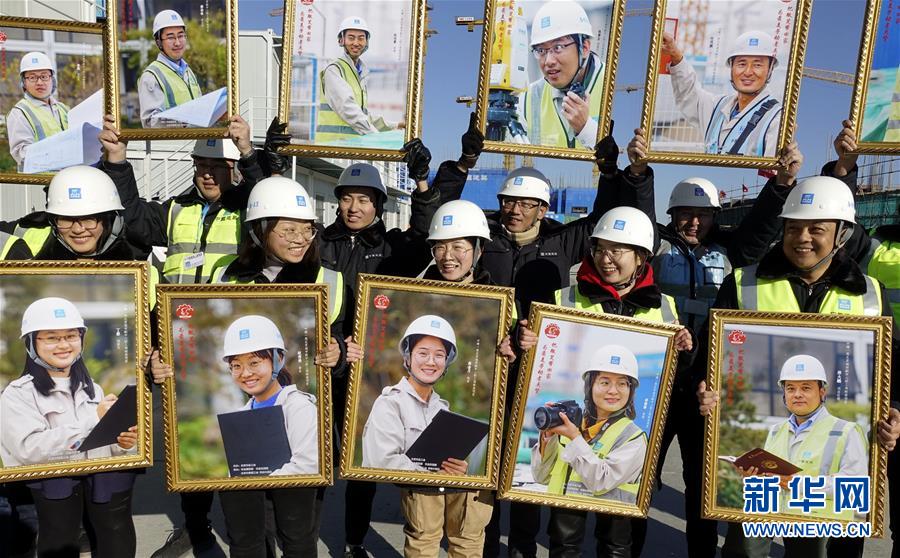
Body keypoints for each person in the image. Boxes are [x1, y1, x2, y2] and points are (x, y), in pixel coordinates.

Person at [696, 176, 900, 558]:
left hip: (829, 470)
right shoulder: (743, 284)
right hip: (765, 455)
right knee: (746, 549)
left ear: (841, 234)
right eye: (793, 228)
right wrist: (706, 390)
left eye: (815, 229)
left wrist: (893, 412)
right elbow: (710, 358)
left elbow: (892, 367)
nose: (802, 238)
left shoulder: (871, 295)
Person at [320, 125, 479, 558]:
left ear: (379, 204)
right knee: (319, 456)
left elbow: (430, 234)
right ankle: (315, 532)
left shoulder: (392, 248)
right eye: (347, 198)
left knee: (361, 463)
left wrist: (423, 183)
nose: (354, 207)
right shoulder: (318, 244)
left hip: (371, 367)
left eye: (364, 199)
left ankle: (354, 540)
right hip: (329, 362)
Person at [517, 206, 694, 557]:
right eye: (599, 249)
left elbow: (676, 373)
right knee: (564, 542)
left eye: (617, 250)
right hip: (568, 476)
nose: (605, 259)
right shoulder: (565, 299)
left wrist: (688, 350)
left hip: (621, 482)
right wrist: (524, 341)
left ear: (641, 256)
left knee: (617, 544)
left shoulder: (665, 308)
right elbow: (540, 360)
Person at [0, 297, 138, 557]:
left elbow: (101, 447)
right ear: (31, 343)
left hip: (98, 492)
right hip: (50, 500)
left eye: (71, 336)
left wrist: (122, 444)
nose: (64, 345)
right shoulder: (18, 395)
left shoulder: (92, 388)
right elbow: (28, 450)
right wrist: (94, 420)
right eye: (52, 338)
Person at [99, 113, 271, 284]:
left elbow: (266, 201)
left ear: (235, 170)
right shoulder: (175, 208)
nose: (208, 174)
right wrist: (117, 158)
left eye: (217, 166)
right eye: (202, 165)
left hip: (224, 301)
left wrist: (247, 153)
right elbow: (132, 217)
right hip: (176, 301)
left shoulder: (247, 208)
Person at [217, 315, 320, 557]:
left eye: (254, 363)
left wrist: (254, 478)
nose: (245, 373)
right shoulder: (240, 416)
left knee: (297, 543)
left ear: (278, 359)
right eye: (236, 366)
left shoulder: (299, 407)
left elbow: (307, 464)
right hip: (251, 514)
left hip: (294, 506)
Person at [531, 345, 648, 503]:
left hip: (601, 518)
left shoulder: (633, 438)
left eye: (622, 384)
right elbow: (541, 476)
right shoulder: (572, 426)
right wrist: (548, 437)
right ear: (589, 386)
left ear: (630, 390)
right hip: (557, 515)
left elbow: (600, 483)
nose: (613, 391)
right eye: (605, 383)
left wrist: (575, 438)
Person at [662, 30, 782, 157]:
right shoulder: (718, 107)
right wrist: (675, 54)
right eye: (741, 64)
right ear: (731, 67)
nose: (748, 72)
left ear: (770, 70)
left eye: (757, 65)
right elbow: (688, 93)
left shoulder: (776, 120)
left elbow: (776, 167)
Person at [517, 0, 604, 148]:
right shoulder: (526, 100)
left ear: (584, 48)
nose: (548, 61)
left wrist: (586, 128)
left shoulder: (614, 87)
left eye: (558, 47)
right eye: (541, 50)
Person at [315, 16, 403, 144]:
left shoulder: (359, 73)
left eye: (361, 38)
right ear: (341, 40)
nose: (356, 43)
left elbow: (363, 115)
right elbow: (348, 110)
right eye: (351, 38)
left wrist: (395, 125)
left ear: (366, 42)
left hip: (348, 146)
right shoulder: (334, 70)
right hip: (332, 147)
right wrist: (375, 136)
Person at [139, 9, 202, 128]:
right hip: (174, 141)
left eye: (181, 36)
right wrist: (184, 121)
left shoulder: (188, 71)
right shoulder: (151, 76)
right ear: (158, 42)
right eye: (170, 37)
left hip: (196, 139)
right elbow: (150, 123)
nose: (177, 43)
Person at [6, 51, 70, 169]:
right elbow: (22, 154)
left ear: (52, 80)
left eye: (44, 76)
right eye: (32, 77)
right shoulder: (19, 113)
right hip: (40, 179)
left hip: (67, 176)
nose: (40, 82)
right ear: (24, 83)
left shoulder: (63, 109)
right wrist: (59, 154)